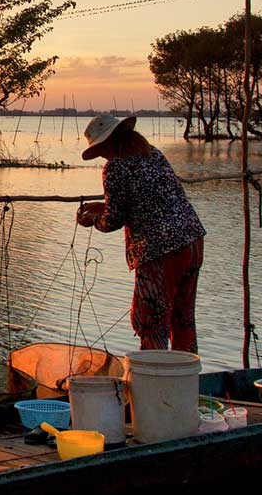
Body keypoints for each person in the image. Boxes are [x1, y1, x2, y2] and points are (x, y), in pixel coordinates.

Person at [75, 114, 206, 353]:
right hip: (192, 240)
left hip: (160, 249)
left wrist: (93, 219)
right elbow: (148, 202)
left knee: (151, 322)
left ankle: (154, 383)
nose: (102, 155)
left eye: (101, 149)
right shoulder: (152, 154)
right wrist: (102, 207)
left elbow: (113, 220)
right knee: (183, 318)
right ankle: (186, 380)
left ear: (108, 143)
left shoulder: (115, 166)